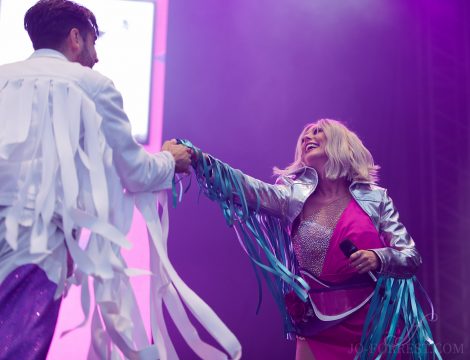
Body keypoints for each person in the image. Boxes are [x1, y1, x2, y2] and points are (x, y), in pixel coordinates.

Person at [0, 1, 241, 359]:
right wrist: (168, 160)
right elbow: (135, 171)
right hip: (34, 245)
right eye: (95, 43)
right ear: (76, 38)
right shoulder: (93, 85)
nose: (96, 57)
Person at [184, 118, 440, 359]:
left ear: (341, 143)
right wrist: (199, 159)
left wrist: (378, 257)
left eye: (318, 131)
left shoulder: (376, 199)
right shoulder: (292, 198)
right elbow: (245, 187)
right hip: (316, 325)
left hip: (370, 324)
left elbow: (411, 256)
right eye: (305, 134)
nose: (308, 135)